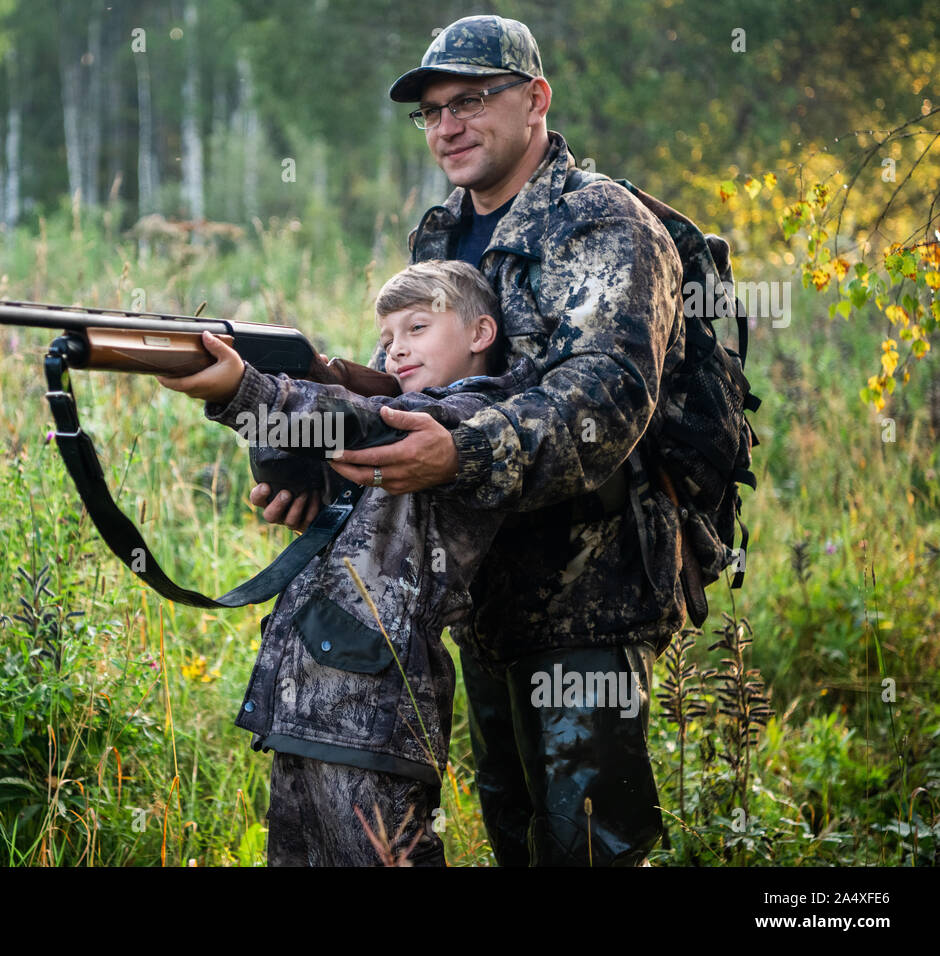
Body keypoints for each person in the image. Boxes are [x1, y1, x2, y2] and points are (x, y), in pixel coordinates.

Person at [252, 15, 687, 866]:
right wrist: (312, 444)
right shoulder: (444, 233)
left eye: (471, 101)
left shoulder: (602, 223)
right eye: (431, 111)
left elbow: (607, 396)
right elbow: (413, 384)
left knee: (590, 842)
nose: (446, 126)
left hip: (585, 594)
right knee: (514, 831)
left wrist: (460, 454)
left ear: (536, 101)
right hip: (473, 591)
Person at [158, 259, 539, 866]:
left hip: (376, 717)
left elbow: (360, 420)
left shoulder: (474, 414)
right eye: (386, 339)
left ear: (480, 334)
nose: (396, 351)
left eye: (417, 328)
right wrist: (288, 463)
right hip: (304, 702)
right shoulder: (393, 418)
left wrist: (246, 392)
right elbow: (319, 443)